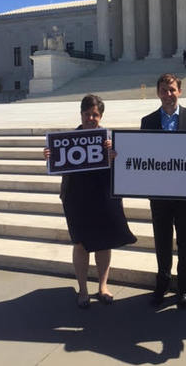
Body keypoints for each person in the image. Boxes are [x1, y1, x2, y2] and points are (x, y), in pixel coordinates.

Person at [44, 94, 136, 308]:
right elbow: (60, 167)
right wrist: (50, 155)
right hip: (77, 198)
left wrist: (115, 154)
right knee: (81, 244)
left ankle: (103, 286)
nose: (91, 118)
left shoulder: (108, 140)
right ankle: (83, 290)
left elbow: (123, 168)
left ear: (101, 116)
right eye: (87, 114)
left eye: (95, 115)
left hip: (103, 196)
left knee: (104, 242)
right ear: (81, 114)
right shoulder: (66, 140)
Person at [141, 73, 186, 308]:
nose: (168, 95)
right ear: (158, 93)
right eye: (164, 90)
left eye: (172, 90)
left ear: (180, 91)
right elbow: (142, 155)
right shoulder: (147, 122)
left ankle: (185, 287)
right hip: (158, 191)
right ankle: (163, 282)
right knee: (162, 239)